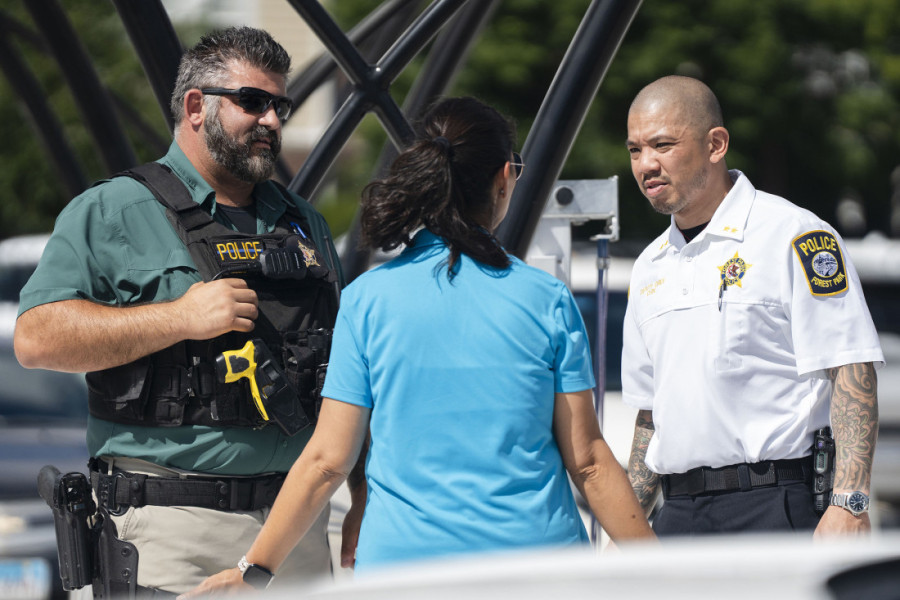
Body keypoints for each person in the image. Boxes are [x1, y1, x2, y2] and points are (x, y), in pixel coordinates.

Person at [179, 95, 655, 596]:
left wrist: (253, 570)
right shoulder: (545, 300)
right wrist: (664, 574)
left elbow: (327, 461)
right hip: (538, 570)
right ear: (503, 179)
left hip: (406, 574)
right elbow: (589, 462)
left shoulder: (367, 301)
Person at [14, 26, 364, 597]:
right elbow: (36, 339)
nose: (272, 120)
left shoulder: (303, 222)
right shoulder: (113, 209)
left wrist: (363, 494)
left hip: (293, 531)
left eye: (281, 105)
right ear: (196, 106)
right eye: (253, 102)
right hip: (171, 534)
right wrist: (179, 318)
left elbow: (349, 372)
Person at [622, 75, 883, 537]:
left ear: (715, 144)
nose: (647, 164)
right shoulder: (648, 268)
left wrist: (851, 502)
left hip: (775, 505)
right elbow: (649, 416)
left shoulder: (795, 235)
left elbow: (851, 369)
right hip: (677, 517)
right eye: (635, 150)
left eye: (662, 144)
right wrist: (624, 526)